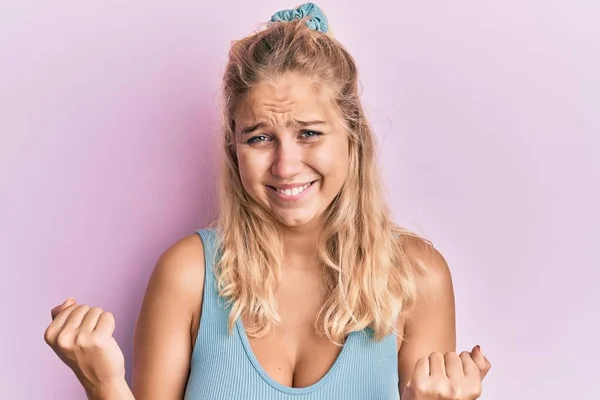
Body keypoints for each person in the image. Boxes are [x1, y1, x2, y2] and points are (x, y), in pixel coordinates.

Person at [44, 3, 491, 399]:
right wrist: (103, 386)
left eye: (309, 133)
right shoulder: (186, 275)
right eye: (259, 138)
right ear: (233, 149)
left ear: (353, 139)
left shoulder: (417, 278)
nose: (285, 165)